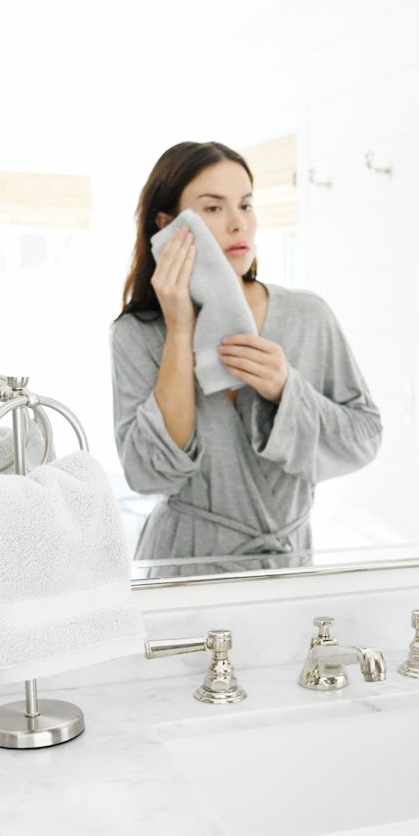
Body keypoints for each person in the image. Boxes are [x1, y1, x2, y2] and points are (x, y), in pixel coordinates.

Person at [111, 140, 381, 565]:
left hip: (287, 564)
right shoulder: (136, 335)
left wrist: (287, 390)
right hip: (185, 562)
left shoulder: (308, 315)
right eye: (214, 208)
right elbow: (148, 474)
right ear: (168, 225)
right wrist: (180, 329)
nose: (239, 224)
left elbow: (363, 439)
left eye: (247, 205)